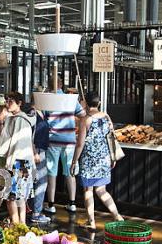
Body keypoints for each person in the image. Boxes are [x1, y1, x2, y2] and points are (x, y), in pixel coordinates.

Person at [71, 92, 124, 230]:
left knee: (88, 190)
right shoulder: (106, 116)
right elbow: (112, 137)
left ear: (86, 103)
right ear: (98, 103)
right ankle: (117, 215)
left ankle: (91, 222)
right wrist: (112, 157)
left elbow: (80, 144)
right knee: (102, 190)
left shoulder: (86, 120)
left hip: (89, 159)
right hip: (104, 159)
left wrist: (74, 161)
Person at [0, 92, 36, 225]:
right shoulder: (14, 118)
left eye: (11, 101)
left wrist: (9, 164)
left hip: (16, 162)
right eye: (7, 100)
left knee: (11, 197)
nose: (8, 103)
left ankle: (18, 224)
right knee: (19, 197)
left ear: (20, 103)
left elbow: (15, 144)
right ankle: (21, 224)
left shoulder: (20, 120)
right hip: (22, 162)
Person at [44, 75, 85, 215]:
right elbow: (83, 114)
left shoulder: (46, 99)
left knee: (51, 173)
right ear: (62, 85)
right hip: (69, 141)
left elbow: (41, 118)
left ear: (49, 85)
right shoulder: (70, 99)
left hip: (53, 141)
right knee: (70, 172)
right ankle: (72, 203)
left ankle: (51, 204)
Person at [29, 100, 51, 224]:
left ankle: (33, 210)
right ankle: (36, 213)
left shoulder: (42, 113)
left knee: (37, 181)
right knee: (41, 182)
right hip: (37, 150)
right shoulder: (33, 114)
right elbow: (30, 134)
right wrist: (35, 152)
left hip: (41, 149)